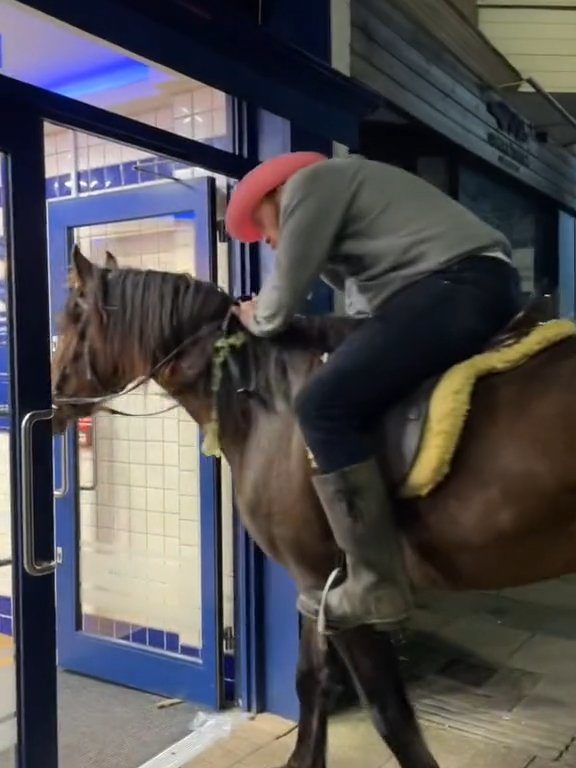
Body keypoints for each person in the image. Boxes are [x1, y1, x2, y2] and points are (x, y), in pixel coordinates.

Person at [225, 151, 521, 632]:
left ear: (276, 193)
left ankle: (374, 582)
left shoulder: (310, 185)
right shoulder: (361, 215)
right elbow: (367, 322)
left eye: (268, 228)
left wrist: (253, 316)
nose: (274, 242)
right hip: (468, 286)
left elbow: (278, 302)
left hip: (454, 286)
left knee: (322, 406)